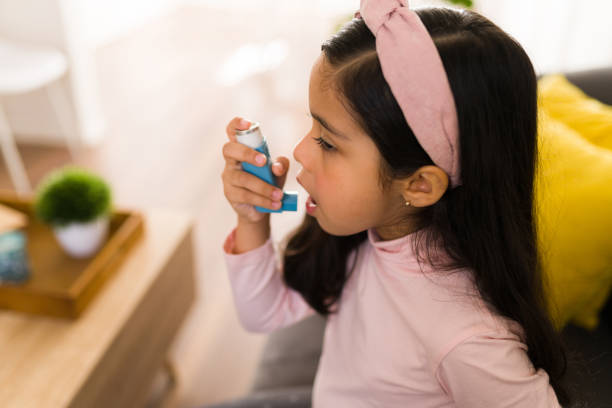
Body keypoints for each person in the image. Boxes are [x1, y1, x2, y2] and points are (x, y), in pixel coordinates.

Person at [220, 1, 572, 406]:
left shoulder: (467, 338)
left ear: (420, 184)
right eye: (312, 124)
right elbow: (264, 313)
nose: (300, 150)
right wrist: (252, 218)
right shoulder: (366, 231)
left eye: (327, 142)